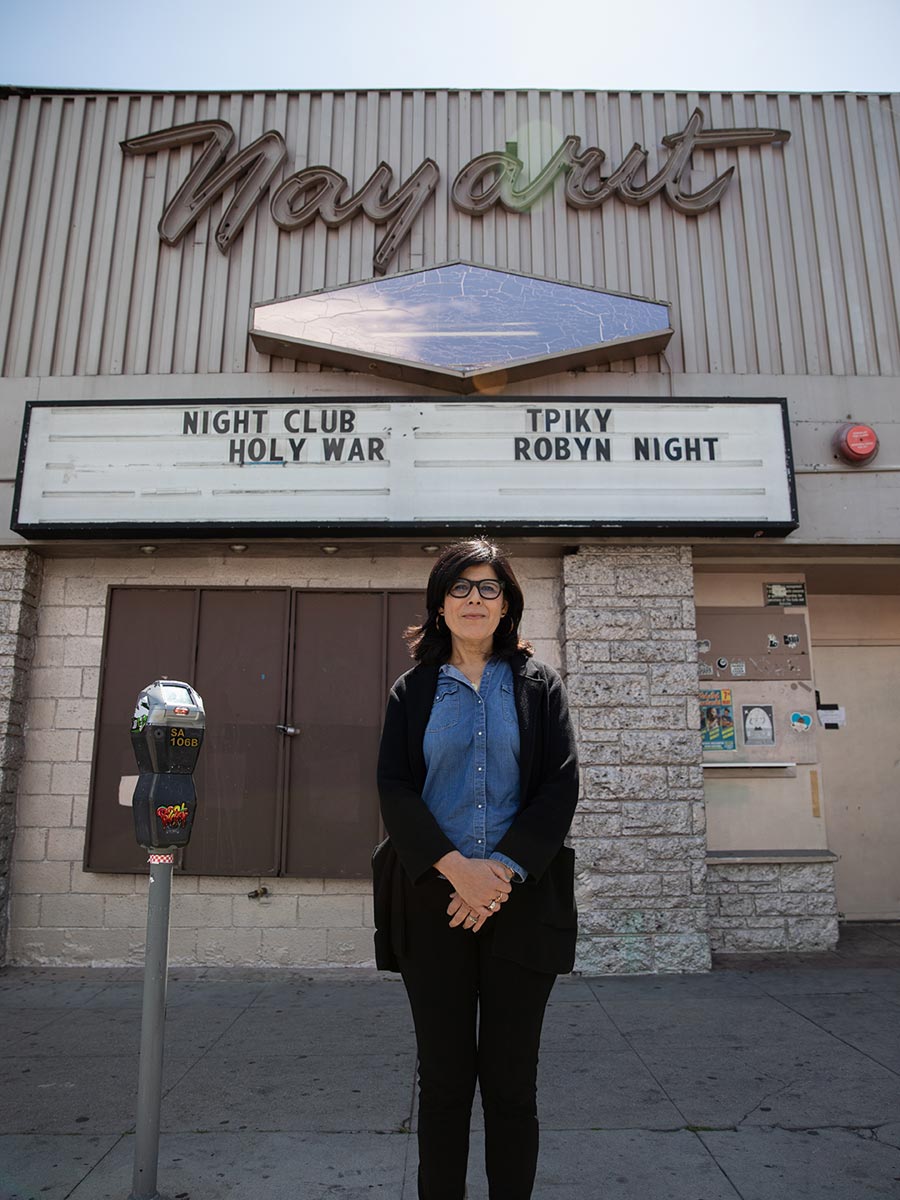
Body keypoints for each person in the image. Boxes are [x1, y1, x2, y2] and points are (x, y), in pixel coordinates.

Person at [374, 538, 579, 1200]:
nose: (474, 599)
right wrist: (457, 868)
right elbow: (394, 786)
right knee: (444, 1082)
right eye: (460, 588)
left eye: (489, 587)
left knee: (513, 1083)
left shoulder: (539, 685)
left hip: (523, 902)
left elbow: (560, 786)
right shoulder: (414, 691)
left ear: (508, 603)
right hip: (436, 902)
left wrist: (502, 872)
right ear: (439, 605)